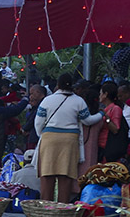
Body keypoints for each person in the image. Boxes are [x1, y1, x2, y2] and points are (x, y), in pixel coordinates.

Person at [35, 73, 104, 203]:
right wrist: (101, 114)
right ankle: (62, 208)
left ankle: (45, 208)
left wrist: (44, 135)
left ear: (58, 85)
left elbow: (38, 123)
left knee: (47, 175)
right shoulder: (78, 101)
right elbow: (87, 120)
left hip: (49, 139)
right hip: (69, 141)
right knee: (65, 176)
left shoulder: (47, 100)